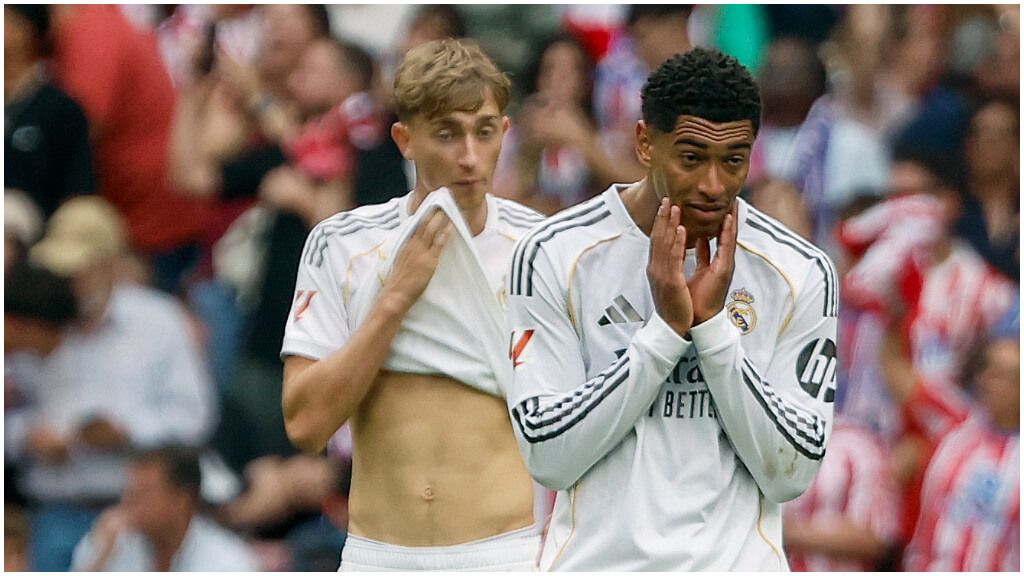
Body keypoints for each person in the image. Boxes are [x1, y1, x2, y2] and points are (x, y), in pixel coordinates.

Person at [505, 48, 837, 570]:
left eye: (734, 161)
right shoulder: (553, 255)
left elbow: (791, 472)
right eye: (691, 157)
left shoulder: (798, 270)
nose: (713, 185)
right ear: (644, 143)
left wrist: (712, 331)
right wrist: (664, 334)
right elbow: (549, 457)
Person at [280, 38, 543, 570]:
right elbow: (306, 425)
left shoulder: (542, 251)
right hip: (379, 555)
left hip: (502, 554)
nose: (469, 156)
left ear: (504, 134)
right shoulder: (342, 244)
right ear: (405, 139)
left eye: (484, 132)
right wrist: (394, 297)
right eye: (447, 134)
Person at [12, 196, 216, 571]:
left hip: (137, 517)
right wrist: (27, 435)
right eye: (61, 270)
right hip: (54, 510)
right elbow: (12, 409)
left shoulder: (159, 320)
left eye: (78, 269)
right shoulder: (39, 318)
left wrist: (127, 432)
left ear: (111, 265)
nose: (68, 281)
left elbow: (195, 416)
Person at [70, 447, 256, 571]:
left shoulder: (227, 563)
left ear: (183, 499)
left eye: (143, 493)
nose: (128, 501)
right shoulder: (107, 543)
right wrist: (100, 560)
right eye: (128, 492)